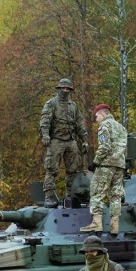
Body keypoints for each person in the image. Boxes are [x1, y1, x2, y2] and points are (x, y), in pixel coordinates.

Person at [39, 78, 89, 208]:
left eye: (67, 89)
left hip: (71, 140)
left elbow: (79, 123)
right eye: (63, 88)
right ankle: (49, 195)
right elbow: (45, 121)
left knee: (73, 170)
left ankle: (71, 195)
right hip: (56, 139)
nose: (65, 91)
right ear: (59, 89)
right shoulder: (51, 104)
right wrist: (44, 135)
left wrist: (84, 140)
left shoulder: (73, 106)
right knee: (51, 169)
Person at [80, 104, 127, 234]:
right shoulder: (121, 127)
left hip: (106, 165)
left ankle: (97, 223)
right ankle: (114, 226)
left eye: (97, 116)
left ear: (102, 114)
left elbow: (104, 147)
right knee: (116, 195)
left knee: (96, 192)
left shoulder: (104, 126)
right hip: (119, 165)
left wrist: (95, 162)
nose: (96, 119)